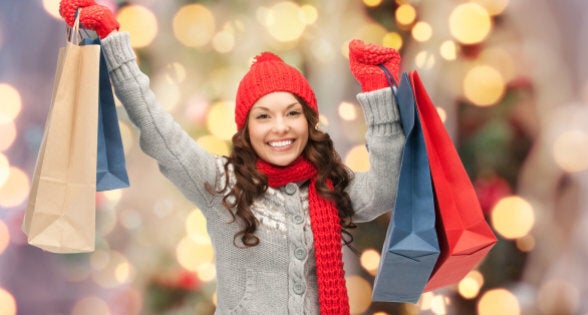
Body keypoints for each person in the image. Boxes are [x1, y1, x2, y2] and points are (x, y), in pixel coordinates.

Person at [59, 1, 404, 314]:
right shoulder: (222, 184)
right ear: (247, 130)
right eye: (264, 116)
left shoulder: (327, 185)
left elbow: (383, 191)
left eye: (292, 113)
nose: (280, 128)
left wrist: (380, 94)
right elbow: (157, 129)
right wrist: (113, 43)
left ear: (309, 121)